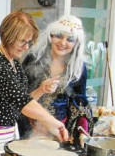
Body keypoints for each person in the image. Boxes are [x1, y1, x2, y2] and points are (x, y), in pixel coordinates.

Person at [0, 10, 69, 156]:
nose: (26, 47)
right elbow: (23, 104)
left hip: (3, 132)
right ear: (7, 37)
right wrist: (54, 122)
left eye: (29, 42)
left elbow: (21, 100)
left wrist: (41, 90)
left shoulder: (14, 63)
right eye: (22, 41)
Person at [18, 15, 93, 146]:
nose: (63, 43)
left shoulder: (78, 67)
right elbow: (18, 96)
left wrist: (83, 129)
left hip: (59, 129)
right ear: (51, 36)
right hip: (29, 126)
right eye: (59, 36)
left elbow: (80, 101)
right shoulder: (33, 58)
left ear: (76, 44)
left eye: (70, 39)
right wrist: (41, 89)